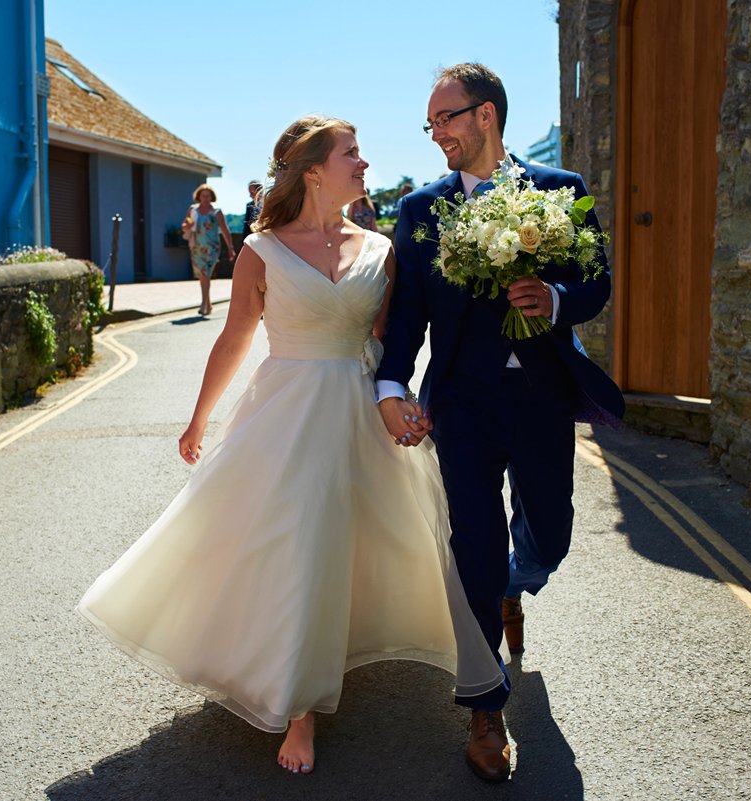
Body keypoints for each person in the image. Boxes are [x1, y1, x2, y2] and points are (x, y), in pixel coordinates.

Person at [79, 116, 505, 777]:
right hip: (287, 413)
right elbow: (234, 339)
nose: (363, 163)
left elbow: (389, 341)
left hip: (358, 408)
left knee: (361, 538)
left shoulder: (381, 248)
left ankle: (368, 647)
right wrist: (198, 420)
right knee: (299, 539)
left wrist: (399, 398)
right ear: (313, 171)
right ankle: (299, 707)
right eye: (351, 154)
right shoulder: (261, 250)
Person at [375, 63, 624, 782]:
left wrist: (554, 297)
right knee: (473, 546)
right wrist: (391, 385)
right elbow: (408, 314)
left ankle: (518, 582)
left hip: (542, 396)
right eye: (430, 123)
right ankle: (486, 706)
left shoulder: (560, 190)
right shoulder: (421, 210)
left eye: (445, 118)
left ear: (486, 115)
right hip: (463, 403)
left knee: (552, 530)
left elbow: (596, 283)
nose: (436, 134)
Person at [181, 185, 236, 315]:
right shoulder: (193, 210)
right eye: (203, 196)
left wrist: (230, 248)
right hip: (196, 247)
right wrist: (188, 225)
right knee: (202, 276)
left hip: (212, 248)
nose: (205, 198)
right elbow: (184, 226)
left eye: (208, 196)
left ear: (212, 197)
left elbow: (225, 229)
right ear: (199, 196)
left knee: (206, 274)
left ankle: (203, 305)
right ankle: (208, 304)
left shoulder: (217, 212)